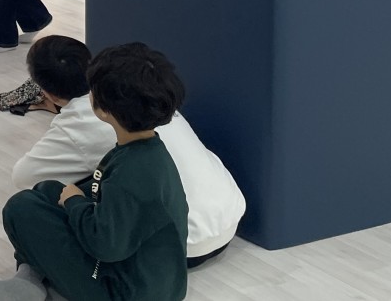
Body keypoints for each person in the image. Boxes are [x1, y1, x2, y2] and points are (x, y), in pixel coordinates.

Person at [0, 43, 189, 301]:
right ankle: (37, 276)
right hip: (150, 278)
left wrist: (75, 203)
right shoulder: (148, 152)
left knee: (19, 208)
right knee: (48, 190)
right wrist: (73, 198)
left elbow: (105, 245)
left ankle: (32, 279)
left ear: (104, 110)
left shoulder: (131, 174)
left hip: (123, 292)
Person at [12, 35, 245, 267]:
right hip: (229, 215)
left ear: (49, 94)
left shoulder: (83, 122)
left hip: (180, 245)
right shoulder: (142, 92)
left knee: (42, 199)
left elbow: (25, 176)